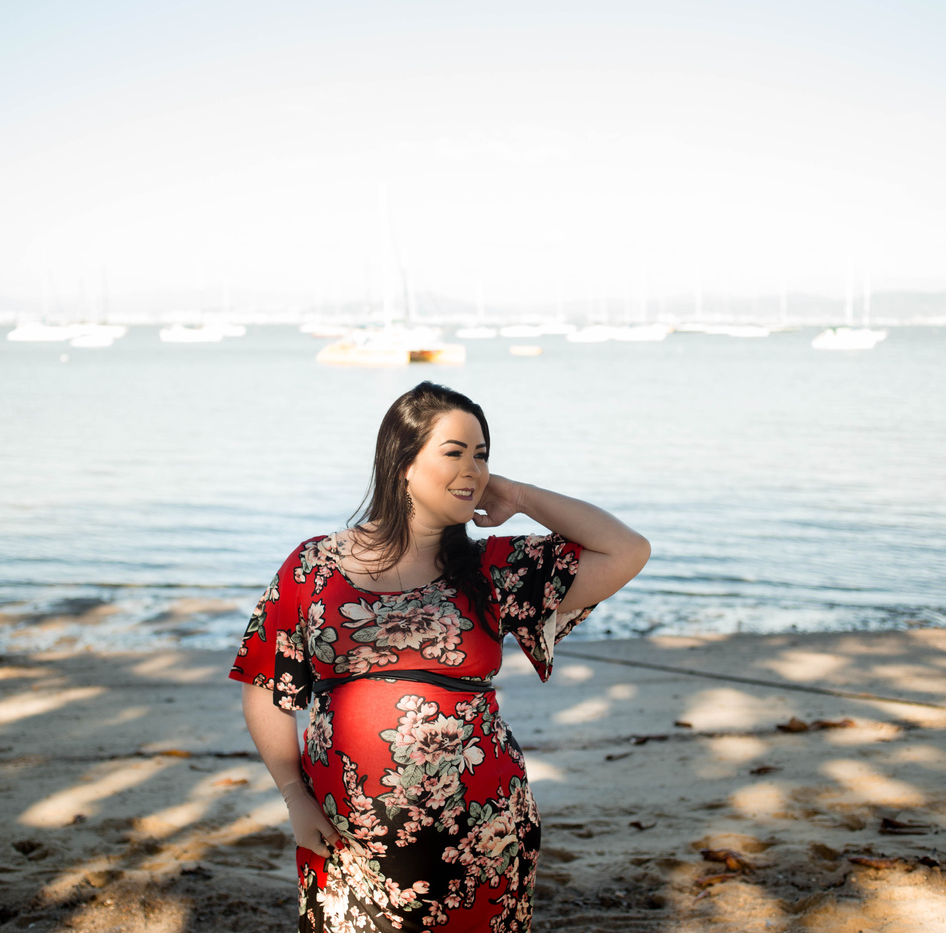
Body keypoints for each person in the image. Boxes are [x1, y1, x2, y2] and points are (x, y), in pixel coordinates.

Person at [230, 381, 649, 932]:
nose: (473, 470)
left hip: (480, 834)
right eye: (454, 452)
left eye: (482, 456)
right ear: (402, 461)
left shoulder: (492, 568)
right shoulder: (314, 566)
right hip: (344, 836)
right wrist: (293, 797)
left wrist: (517, 495)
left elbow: (627, 551)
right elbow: (265, 685)